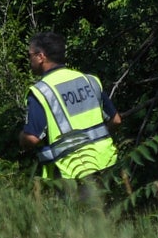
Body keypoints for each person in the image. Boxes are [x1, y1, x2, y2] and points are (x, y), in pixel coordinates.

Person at [18, 31, 121, 181]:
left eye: (30, 55)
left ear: (41, 57)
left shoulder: (41, 91)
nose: (29, 60)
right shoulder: (89, 80)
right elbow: (116, 120)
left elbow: (32, 138)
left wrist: (21, 137)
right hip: (107, 162)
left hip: (72, 170)